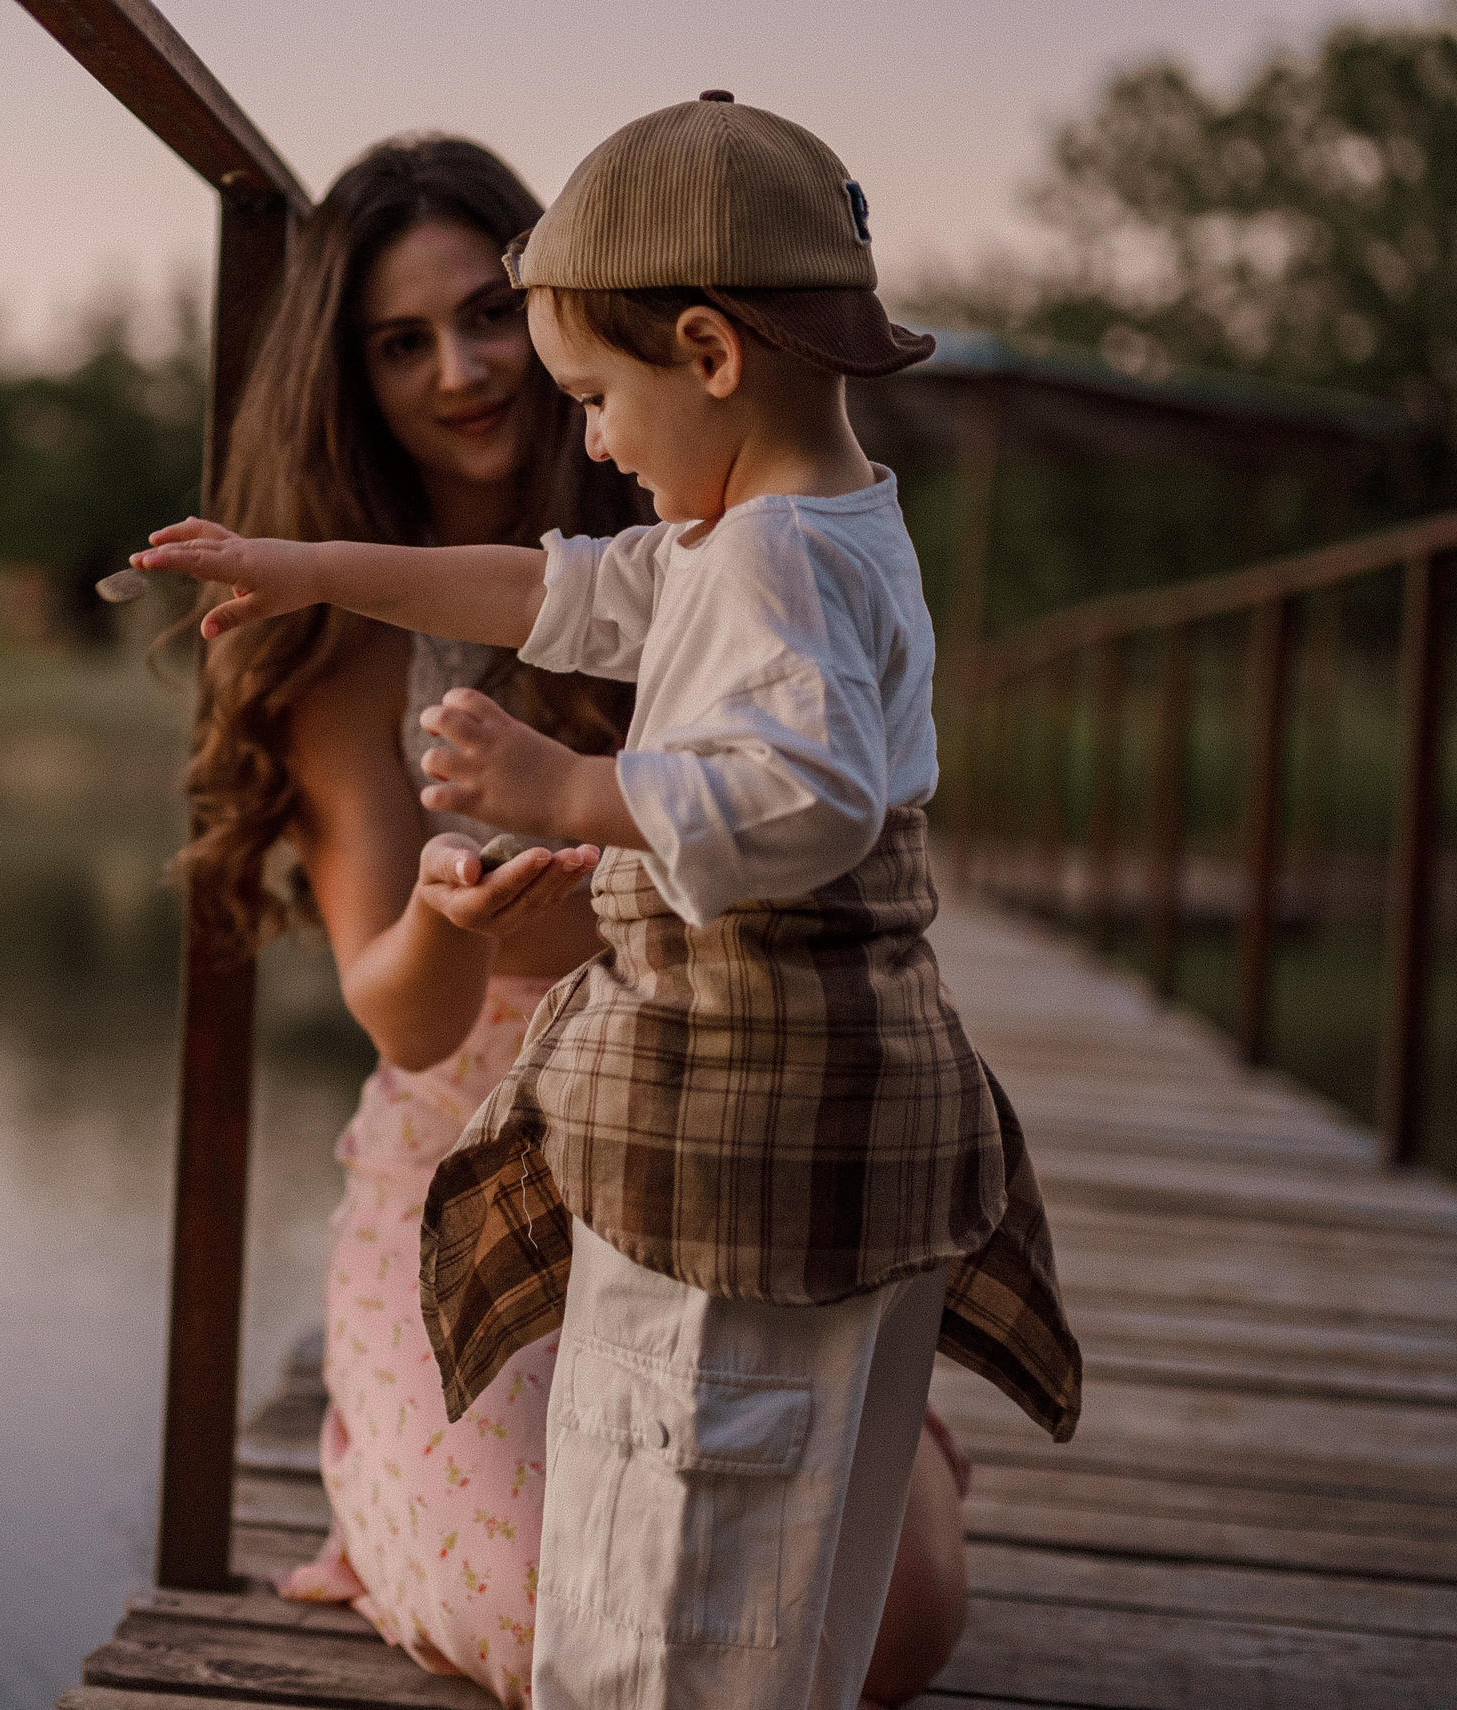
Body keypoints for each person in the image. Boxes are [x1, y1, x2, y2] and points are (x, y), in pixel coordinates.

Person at [166, 131, 982, 1710]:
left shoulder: (750, 549)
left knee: (865, 1614)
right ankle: (409, 1448)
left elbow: (803, 801)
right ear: (347, 372)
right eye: (402, 342)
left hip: (728, 1119)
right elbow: (403, 1007)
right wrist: (456, 909)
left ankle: (871, 1411)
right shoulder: (719, 532)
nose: (474, 374)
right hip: (498, 1125)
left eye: (507, 327)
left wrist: (565, 797)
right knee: (578, 1612)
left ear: (699, 351)